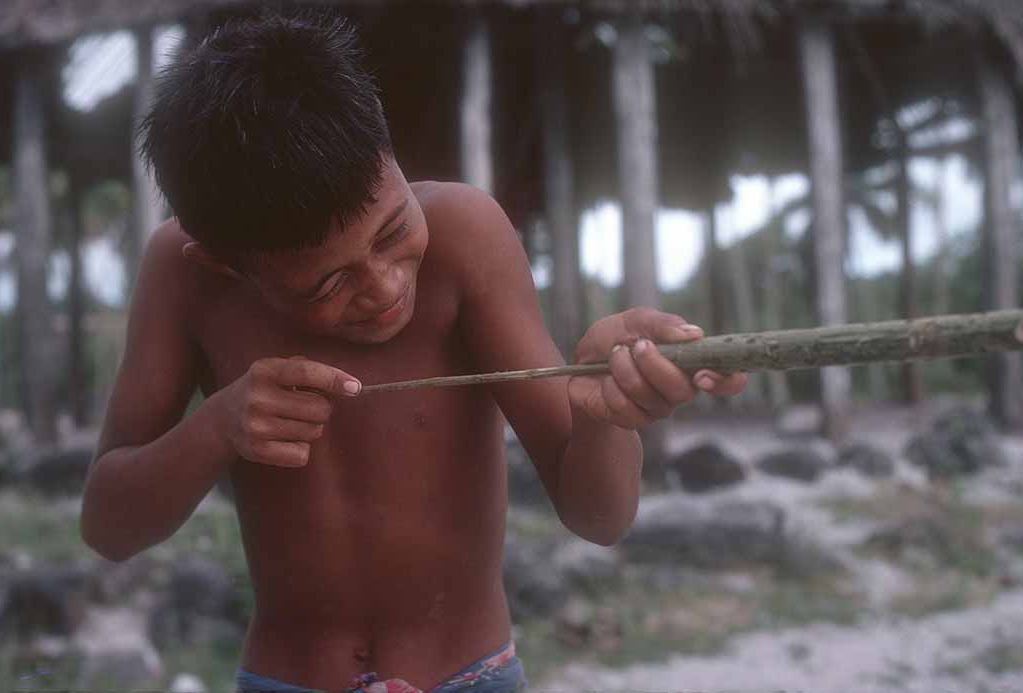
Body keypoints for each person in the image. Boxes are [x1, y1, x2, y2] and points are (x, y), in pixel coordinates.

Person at [79, 10, 747, 693]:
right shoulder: (182, 277)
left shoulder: (465, 237)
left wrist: (604, 415)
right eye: (328, 283)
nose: (384, 287)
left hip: (469, 676)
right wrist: (216, 428)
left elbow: (600, 517)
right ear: (226, 264)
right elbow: (107, 527)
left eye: (393, 232)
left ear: (388, 146)